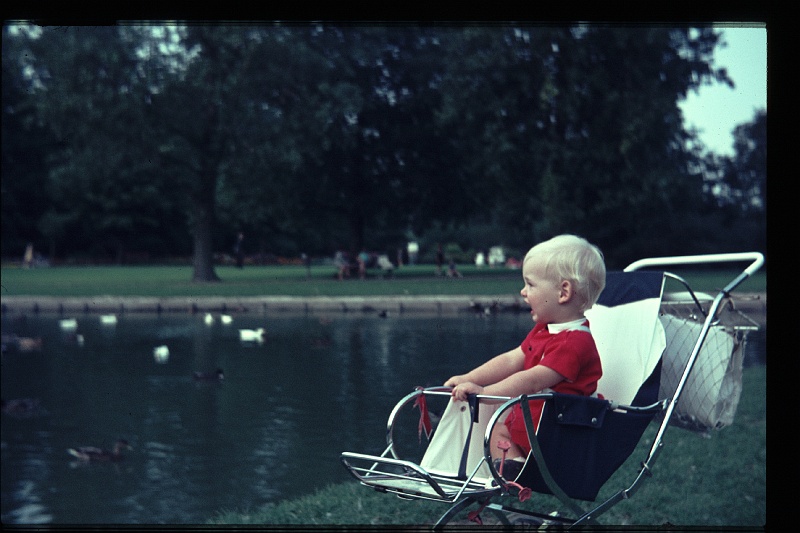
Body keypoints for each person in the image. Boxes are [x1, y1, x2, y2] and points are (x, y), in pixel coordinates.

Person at [444, 234, 606, 479]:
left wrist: (484, 394)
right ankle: (514, 472)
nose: (523, 291)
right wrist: (468, 377)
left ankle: (517, 475)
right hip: (532, 429)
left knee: (496, 429)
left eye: (530, 284)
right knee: (496, 432)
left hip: (561, 436)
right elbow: (511, 360)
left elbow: (533, 380)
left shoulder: (575, 342)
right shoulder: (544, 330)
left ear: (563, 292)